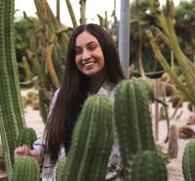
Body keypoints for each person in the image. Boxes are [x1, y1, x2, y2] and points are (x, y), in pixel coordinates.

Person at [15, 23, 126, 180]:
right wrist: (35, 155)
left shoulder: (123, 98)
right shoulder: (62, 95)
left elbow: (117, 162)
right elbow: (50, 142)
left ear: (106, 49)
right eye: (78, 51)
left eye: (92, 47)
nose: (85, 56)